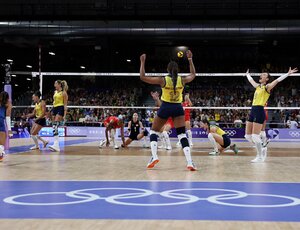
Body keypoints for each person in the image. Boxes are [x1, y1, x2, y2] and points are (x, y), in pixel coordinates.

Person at [140, 50, 197, 171]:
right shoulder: (182, 80)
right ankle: (190, 162)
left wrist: (142, 62)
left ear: (167, 70)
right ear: (177, 70)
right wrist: (190, 60)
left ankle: (154, 156)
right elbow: (193, 75)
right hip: (177, 107)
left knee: (154, 132)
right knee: (182, 135)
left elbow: (143, 77)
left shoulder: (163, 80)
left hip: (165, 107)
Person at [244, 67, 298, 163]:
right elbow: (251, 80)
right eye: (262, 74)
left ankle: (260, 156)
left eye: (264, 75)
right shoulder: (257, 86)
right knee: (248, 136)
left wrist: (288, 73)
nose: (261, 75)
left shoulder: (267, 87)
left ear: (267, 79)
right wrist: (247, 74)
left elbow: (277, 80)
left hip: (259, 110)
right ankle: (263, 145)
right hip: (253, 110)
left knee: (255, 136)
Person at [49, 80, 68, 152]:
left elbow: (65, 105)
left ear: (59, 84)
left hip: (60, 108)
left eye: (55, 83)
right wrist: (51, 111)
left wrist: (65, 115)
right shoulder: (55, 92)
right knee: (54, 126)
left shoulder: (64, 93)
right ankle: (56, 145)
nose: (54, 85)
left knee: (55, 125)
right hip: (55, 108)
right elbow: (54, 102)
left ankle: (56, 145)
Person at [0, 91, 12, 161]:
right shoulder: (8, 104)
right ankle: (0, 153)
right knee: (1, 143)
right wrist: (9, 130)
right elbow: (7, 117)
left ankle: (0, 154)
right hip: (1, 120)